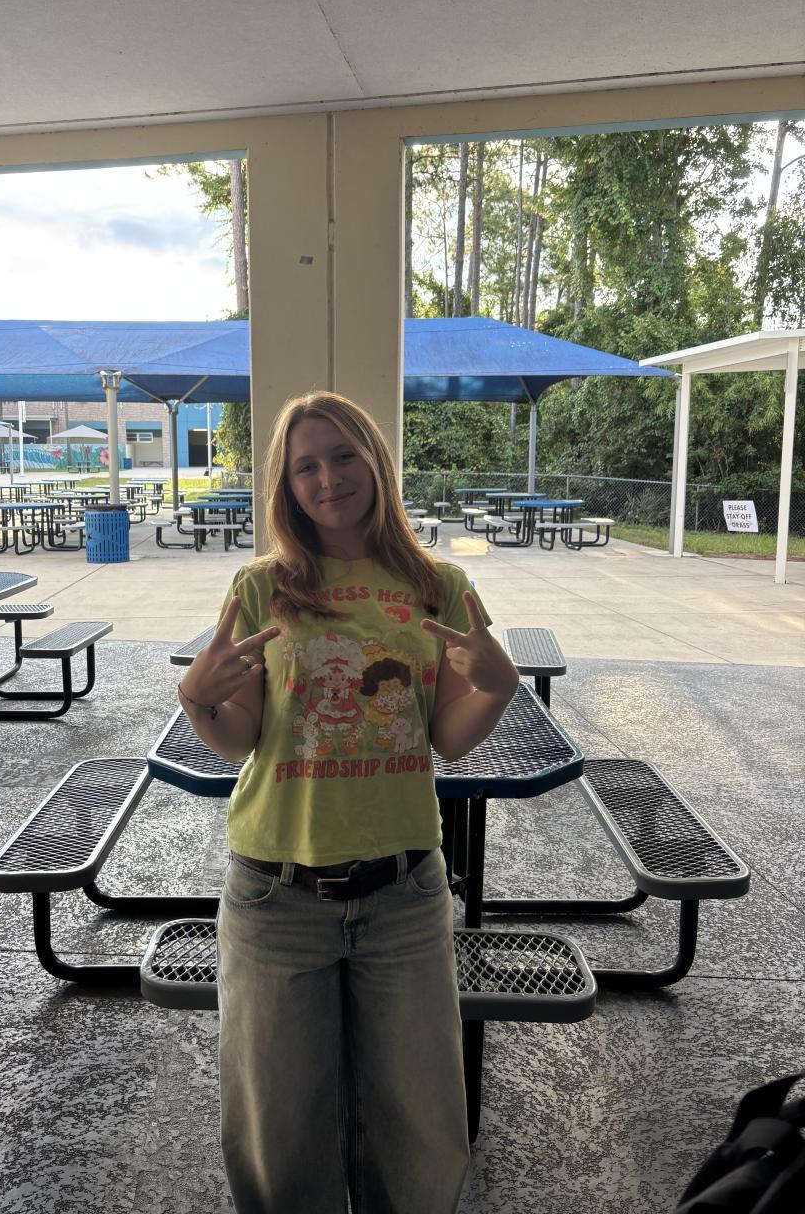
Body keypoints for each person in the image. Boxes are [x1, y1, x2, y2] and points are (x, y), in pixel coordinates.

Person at [178, 392, 520, 1214]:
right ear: (287, 486)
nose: (327, 478)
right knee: (279, 1137)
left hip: (404, 892)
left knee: (420, 1136)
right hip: (275, 895)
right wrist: (197, 699)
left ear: (375, 462)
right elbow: (238, 740)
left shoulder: (439, 585)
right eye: (306, 466)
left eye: (342, 456)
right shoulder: (262, 587)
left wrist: (498, 689)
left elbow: (449, 740)